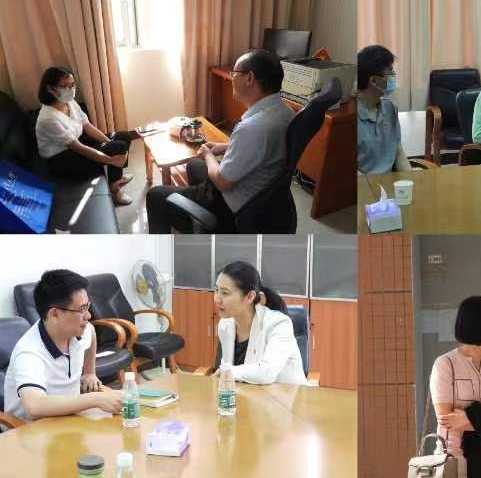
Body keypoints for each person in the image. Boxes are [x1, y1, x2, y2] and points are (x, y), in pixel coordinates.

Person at [146, 49, 294, 233]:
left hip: (234, 207)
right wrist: (224, 146)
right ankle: (195, 210)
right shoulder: (286, 112)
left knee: (155, 195)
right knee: (193, 164)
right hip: (262, 198)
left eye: (234, 73)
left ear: (249, 78)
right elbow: (263, 147)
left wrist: (208, 154)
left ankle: (203, 219)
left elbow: (223, 182)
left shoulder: (252, 127)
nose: (231, 78)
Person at [3, 269, 123, 421]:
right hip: (30, 428)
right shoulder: (29, 353)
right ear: (54, 314)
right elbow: (35, 406)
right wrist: (95, 399)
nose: (88, 315)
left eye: (87, 306)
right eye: (82, 309)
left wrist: (89, 372)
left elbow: (92, 333)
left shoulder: (82, 330)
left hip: (67, 418)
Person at [430, 296, 481, 478]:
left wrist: (466, 419)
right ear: (478, 322)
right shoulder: (445, 364)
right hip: (453, 458)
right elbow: (446, 418)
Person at [35, 67, 134, 206]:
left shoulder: (69, 102)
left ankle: (116, 178)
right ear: (50, 89)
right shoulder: (48, 118)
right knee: (119, 147)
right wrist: (110, 159)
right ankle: (115, 189)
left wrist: (109, 143)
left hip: (77, 143)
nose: (71, 89)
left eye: (72, 84)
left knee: (124, 136)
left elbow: (87, 126)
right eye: (65, 86)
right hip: (62, 160)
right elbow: (79, 148)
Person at [213, 260, 307, 385]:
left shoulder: (278, 324)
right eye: (216, 290)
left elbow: (266, 373)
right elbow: (228, 368)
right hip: (245, 394)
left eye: (225, 293)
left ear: (250, 297)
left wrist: (226, 371)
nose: (217, 299)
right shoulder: (225, 325)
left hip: (287, 395)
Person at [356, 45, 411, 174]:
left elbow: (398, 153)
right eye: (390, 72)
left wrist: (410, 180)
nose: (393, 76)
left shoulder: (390, 108)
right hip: (366, 185)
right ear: (374, 81)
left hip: (391, 184)